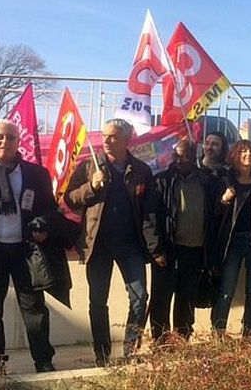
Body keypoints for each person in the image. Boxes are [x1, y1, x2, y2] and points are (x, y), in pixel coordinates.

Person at [64, 118, 153, 366]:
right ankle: (101, 355)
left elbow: (149, 210)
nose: (106, 140)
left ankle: (130, 350)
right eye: (104, 135)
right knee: (98, 301)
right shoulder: (88, 166)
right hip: (98, 245)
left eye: (113, 136)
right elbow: (70, 199)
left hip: (130, 245)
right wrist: (92, 187)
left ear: (127, 139)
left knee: (139, 297)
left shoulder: (141, 170)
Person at [0, 119, 57, 373]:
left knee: (34, 309)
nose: (4, 142)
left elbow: (51, 210)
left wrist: (42, 223)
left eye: (10, 137)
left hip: (25, 250)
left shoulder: (36, 174)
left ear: (18, 142)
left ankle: (43, 360)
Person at [144, 139, 217, 341]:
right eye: (174, 155)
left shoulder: (206, 181)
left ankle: (181, 340)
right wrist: (156, 250)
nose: (176, 159)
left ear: (193, 157)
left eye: (182, 155)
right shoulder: (161, 181)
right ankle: (160, 342)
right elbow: (149, 218)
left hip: (194, 251)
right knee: (161, 299)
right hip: (167, 251)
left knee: (186, 299)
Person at [211, 140, 251, 337]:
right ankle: (218, 333)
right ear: (236, 155)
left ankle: (249, 334)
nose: (248, 155)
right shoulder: (225, 180)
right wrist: (223, 199)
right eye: (244, 151)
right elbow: (213, 213)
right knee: (226, 290)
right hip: (232, 242)